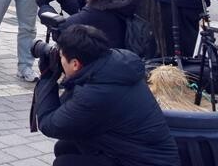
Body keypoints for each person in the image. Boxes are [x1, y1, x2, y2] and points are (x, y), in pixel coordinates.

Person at [33, 24, 178, 166]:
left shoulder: (96, 93)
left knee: (65, 163)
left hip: (143, 161)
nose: (60, 61)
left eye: (61, 56)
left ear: (75, 64)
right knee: (65, 146)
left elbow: (50, 124)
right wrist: (68, 78)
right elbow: (67, 110)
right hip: (137, 153)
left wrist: (47, 77)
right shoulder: (112, 66)